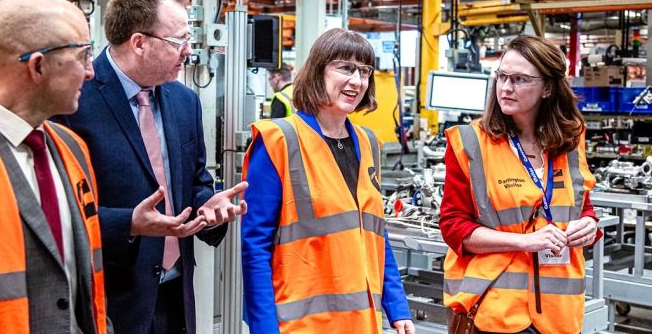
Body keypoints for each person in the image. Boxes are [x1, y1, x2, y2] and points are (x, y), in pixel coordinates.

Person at [51, 0, 247, 334]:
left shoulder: (183, 101)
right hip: (110, 300)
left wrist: (209, 207)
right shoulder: (73, 102)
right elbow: (59, 212)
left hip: (175, 298)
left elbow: (195, 182)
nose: (188, 51)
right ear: (139, 43)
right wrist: (129, 224)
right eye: (178, 41)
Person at [0, 0, 111, 333]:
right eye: (83, 56)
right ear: (38, 65)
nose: (90, 72)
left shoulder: (71, 149)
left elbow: (85, 291)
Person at [242, 28, 415, 334]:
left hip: (362, 323)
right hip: (301, 324)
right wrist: (264, 327)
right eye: (345, 68)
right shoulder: (279, 140)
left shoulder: (369, 143)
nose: (356, 80)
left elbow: (375, 234)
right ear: (318, 71)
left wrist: (398, 307)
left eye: (364, 71)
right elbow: (255, 246)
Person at [439, 35, 602, 334]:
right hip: (496, 308)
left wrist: (590, 226)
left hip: (559, 313)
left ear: (548, 88)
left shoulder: (570, 139)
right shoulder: (471, 143)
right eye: (501, 76)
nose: (505, 88)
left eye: (519, 79)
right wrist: (523, 242)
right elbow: (453, 226)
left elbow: (582, 207)